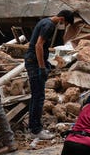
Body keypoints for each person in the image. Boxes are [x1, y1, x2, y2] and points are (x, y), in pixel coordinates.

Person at [25, 10, 75, 140]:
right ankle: (35, 130)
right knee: (39, 97)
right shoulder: (49, 26)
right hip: (34, 63)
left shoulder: (44, 21)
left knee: (36, 96)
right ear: (62, 19)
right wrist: (42, 67)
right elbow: (38, 45)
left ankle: (33, 127)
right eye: (65, 23)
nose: (64, 26)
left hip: (32, 61)